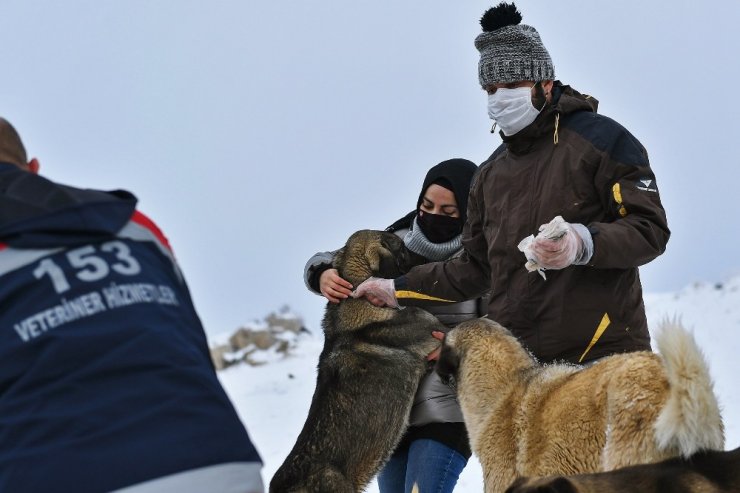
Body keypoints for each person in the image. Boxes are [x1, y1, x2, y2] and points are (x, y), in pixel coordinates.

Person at [354, 2, 670, 367]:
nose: (499, 98)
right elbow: (474, 268)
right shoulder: (490, 174)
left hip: (602, 356)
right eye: (490, 89)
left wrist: (582, 243)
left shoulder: (603, 141)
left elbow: (650, 229)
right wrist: (396, 289)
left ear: (545, 83)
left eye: (511, 85)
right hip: (518, 367)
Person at [0, 118, 264, 493]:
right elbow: (189, 341)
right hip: (218, 461)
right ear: (34, 170)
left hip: (54, 470)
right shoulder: (136, 225)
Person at [304, 158, 484, 493]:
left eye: (448, 212)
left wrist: (458, 346)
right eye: (427, 205)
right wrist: (322, 274)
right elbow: (337, 257)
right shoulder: (395, 242)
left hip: (449, 404)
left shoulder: (483, 256)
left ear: (469, 209)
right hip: (390, 411)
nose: (433, 216)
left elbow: (504, 320)